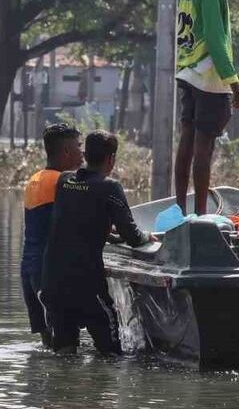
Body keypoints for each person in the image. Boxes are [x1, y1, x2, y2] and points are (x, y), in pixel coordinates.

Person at [41, 131, 153, 354]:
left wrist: (107, 232)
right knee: (111, 353)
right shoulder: (110, 187)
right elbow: (132, 236)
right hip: (86, 284)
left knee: (65, 354)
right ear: (111, 159)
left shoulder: (64, 181)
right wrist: (148, 236)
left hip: (53, 282)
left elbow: (75, 220)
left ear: (85, 154)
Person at [174, 0, 239, 216]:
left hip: (189, 71)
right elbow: (216, 40)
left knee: (187, 142)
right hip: (209, 76)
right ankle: (202, 215)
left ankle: (180, 209)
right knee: (204, 147)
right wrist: (235, 83)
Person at [20, 123, 82, 348]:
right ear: (66, 151)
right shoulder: (64, 182)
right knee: (68, 349)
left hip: (29, 271)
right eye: (78, 146)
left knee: (49, 346)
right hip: (51, 275)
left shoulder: (34, 180)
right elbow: (80, 226)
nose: (82, 152)